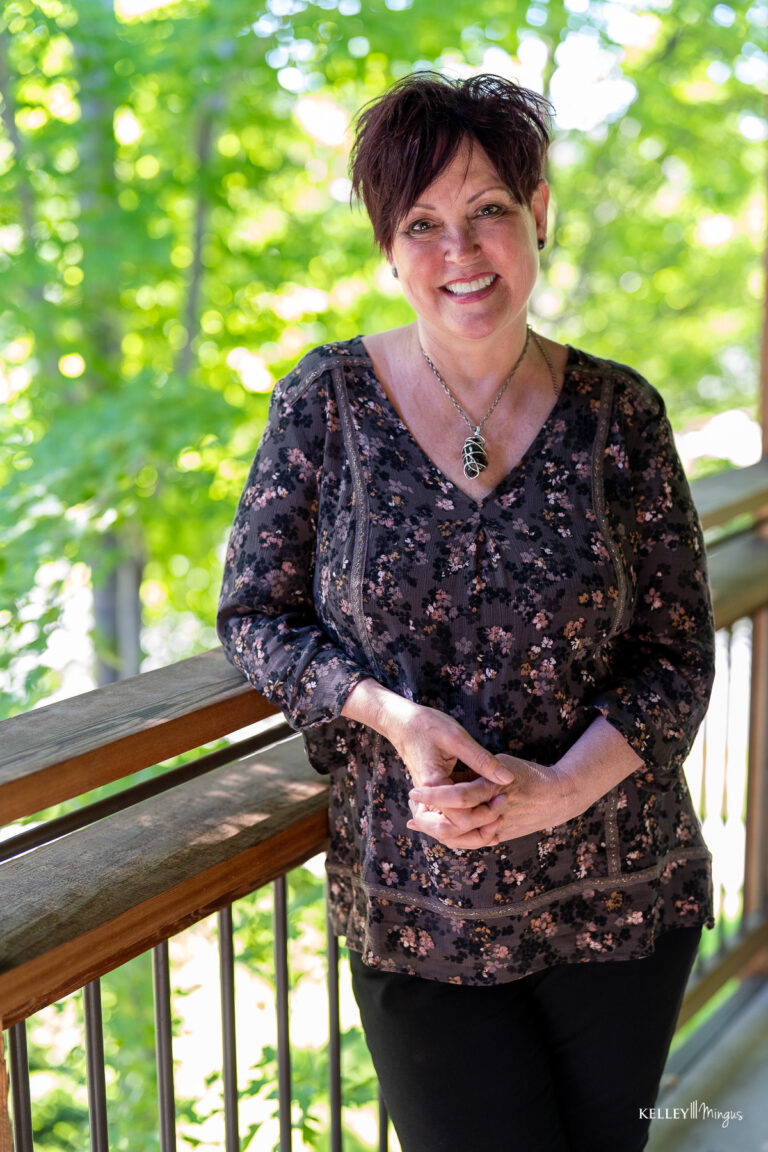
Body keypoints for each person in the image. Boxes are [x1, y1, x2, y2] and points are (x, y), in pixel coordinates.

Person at [217, 72, 716, 1152]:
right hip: (416, 908)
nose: (461, 252)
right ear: (389, 251)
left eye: (489, 210)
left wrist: (561, 789)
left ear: (537, 214)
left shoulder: (621, 414)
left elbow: (677, 656)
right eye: (422, 225)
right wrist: (389, 716)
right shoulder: (328, 404)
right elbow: (252, 614)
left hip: (623, 896)